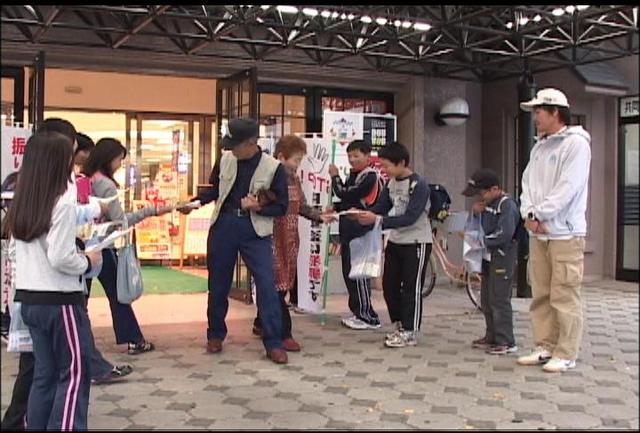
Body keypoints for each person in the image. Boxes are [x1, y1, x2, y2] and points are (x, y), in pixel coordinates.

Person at [4, 130, 101, 430]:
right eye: (69, 159)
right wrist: (88, 261)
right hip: (60, 303)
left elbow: (12, 252)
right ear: (57, 163)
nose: (73, 167)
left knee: (44, 375)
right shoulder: (62, 202)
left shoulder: (23, 200)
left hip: (30, 301)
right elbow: (60, 257)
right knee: (74, 374)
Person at [181, 117, 289, 364]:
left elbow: (282, 207)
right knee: (218, 283)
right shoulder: (226, 159)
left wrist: (258, 207)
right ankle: (215, 334)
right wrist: (196, 202)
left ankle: (273, 342)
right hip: (225, 225)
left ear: (252, 142)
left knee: (266, 285)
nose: (230, 149)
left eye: (235, 145)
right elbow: (215, 189)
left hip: (256, 231)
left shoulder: (273, 167)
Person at [516, 88, 591, 373]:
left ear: (555, 112)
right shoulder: (539, 146)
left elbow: (568, 187)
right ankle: (545, 345)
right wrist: (528, 214)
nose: (535, 117)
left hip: (566, 234)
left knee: (565, 292)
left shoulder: (576, 144)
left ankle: (566, 351)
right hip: (539, 232)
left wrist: (540, 213)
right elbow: (527, 185)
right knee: (542, 292)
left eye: (538, 111)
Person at [83, 137, 172, 355]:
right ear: (109, 159)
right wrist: (151, 210)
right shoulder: (105, 183)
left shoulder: (88, 179)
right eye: (118, 160)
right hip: (102, 245)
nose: (119, 165)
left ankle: (76, 340)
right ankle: (133, 339)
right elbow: (119, 221)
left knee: (80, 297)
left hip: (83, 244)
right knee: (118, 294)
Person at [250, 135, 334, 351]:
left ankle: (261, 323)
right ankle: (283, 332)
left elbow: (302, 206)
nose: (298, 165)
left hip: (290, 240)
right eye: (296, 160)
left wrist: (319, 216)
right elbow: (258, 205)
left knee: (282, 285)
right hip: (271, 239)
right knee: (276, 287)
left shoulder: (294, 179)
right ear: (281, 157)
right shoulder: (267, 177)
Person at [356, 141, 432, 348]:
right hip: (396, 241)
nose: (385, 170)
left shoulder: (419, 185)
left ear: (402, 163)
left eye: (388, 166)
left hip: (417, 242)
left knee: (411, 288)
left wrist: (379, 221)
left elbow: (411, 217)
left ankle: (410, 331)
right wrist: (367, 213)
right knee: (389, 285)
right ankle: (400, 325)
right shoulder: (391, 183)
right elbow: (382, 206)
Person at [462, 168, 520, 355]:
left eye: (482, 193)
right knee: (486, 299)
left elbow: (505, 233)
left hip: (501, 256)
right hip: (487, 257)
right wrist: (477, 212)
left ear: (494, 189)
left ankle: (506, 340)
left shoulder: (506, 205)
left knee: (499, 299)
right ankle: (492, 335)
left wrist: (483, 242)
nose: (480, 197)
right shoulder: (487, 205)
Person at [329, 140, 382, 330]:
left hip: (361, 232)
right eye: (350, 156)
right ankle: (358, 312)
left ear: (368, 156)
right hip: (350, 232)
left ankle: (367, 316)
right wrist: (334, 209)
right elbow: (347, 200)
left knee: (358, 274)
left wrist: (335, 177)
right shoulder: (356, 175)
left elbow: (344, 193)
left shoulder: (369, 177)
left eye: (356, 155)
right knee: (351, 273)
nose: (352, 160)